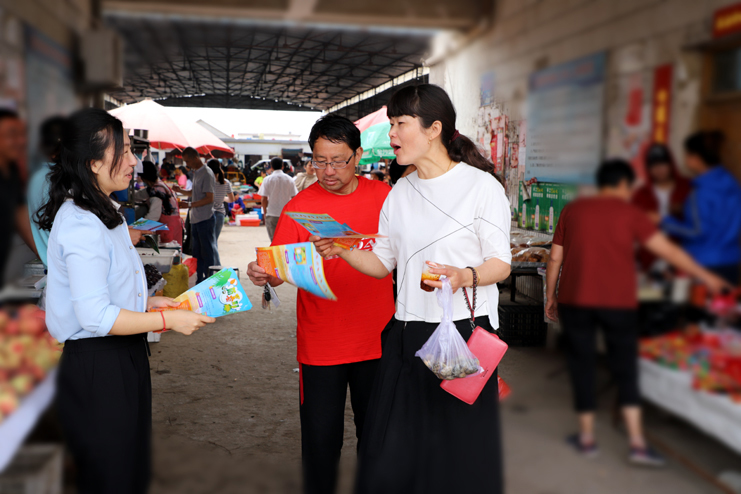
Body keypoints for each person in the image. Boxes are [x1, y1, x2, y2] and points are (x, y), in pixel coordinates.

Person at [311, 84, 511, 494]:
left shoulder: (481, 187)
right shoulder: (401, 191)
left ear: (434, 129)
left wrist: (462, 276)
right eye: (391, 124)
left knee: (459, 451)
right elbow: (383, 262)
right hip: (406, 334)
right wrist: (343, 249)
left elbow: (501, 264)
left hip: (461, 334)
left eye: (400, 124)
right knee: (391, 452)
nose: (392, 134)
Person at [36, 108, 214, 494]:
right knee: (109, 476)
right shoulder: (82, 223)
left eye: (132, 150)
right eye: (124, 151)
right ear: (93, 162)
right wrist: (169, 321)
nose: (134, 161)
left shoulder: (103, 212)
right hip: (99, 365)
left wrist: (148, 304)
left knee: (127, 470)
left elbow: (108, 292)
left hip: (121, 356)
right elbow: (96, 316)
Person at [545, 159, 729, 467]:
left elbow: (554, 259)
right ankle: (637, 443)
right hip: (618, 302)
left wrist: (550, 295)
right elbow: (668, 251)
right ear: (622, 184)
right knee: (626, 368)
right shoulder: (631, 212)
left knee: (582, 366)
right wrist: (707, 277)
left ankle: (587, 438)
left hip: (574, 300)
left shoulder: (572, 210)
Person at [247, 114, 394, 494]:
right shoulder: (300, 206)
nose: (328, 171)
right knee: (320, 442)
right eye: (319, 161)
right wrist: (263, 274)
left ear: (357, 156)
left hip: (379, 339)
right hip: (322, 343)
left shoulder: (386, 198)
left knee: (378, 438)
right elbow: (278, 268)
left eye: (338, 161)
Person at [660, 131, 741, 284]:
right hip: (731, 262)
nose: (685, 160)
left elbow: (696, 231)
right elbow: (721, 215)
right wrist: (684, 208)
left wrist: (663, 220)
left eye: (686, 155)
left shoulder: (700, 192)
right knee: (726, 300)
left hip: (705, 264)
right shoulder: (732, 184)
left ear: (696, 159)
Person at [0, 109, 36, 287]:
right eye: (12, 135)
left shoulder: (12, 171)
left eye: (22, 135)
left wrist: (50, 257)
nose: (21, 141)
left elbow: (21, 215)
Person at [174, 147, 216, 282]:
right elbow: (195, 192)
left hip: (205, 218)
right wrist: (181, 191)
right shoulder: (196, 172)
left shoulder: (207, 173)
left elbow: (209, 198)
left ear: (195, 158)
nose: (186, 164)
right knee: (197, 252)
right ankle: (200, 278)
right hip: (196, 219)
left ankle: (209, 279)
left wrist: (190, 205)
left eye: (187, 161)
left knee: (207, 252)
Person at [139, 160, 183, 246]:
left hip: (168, 229)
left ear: (144, 178)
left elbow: (153, 216)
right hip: (174, 225)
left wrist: (135, 228)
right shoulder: (160, 185)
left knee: (169, 252)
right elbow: (140, 194)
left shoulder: (156, 191)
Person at [258, 157, 298, 241]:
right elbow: (294, 198)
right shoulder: (289, 180)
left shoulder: (267, 179)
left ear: (271, 167)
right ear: (282, 166)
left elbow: (264, 198)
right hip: (286, 215)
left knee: (274, 241)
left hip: (272, 213)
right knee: (286, 240)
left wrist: (265, 212)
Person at [207, 159, 235, 265]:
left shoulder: (207, 182)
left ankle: (216, 266)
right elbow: (231, 199)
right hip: (220, 214)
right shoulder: (226, 182)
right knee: (214, 241)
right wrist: (222, 198)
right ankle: (213, 265)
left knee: (211, 241)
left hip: (208, 214)